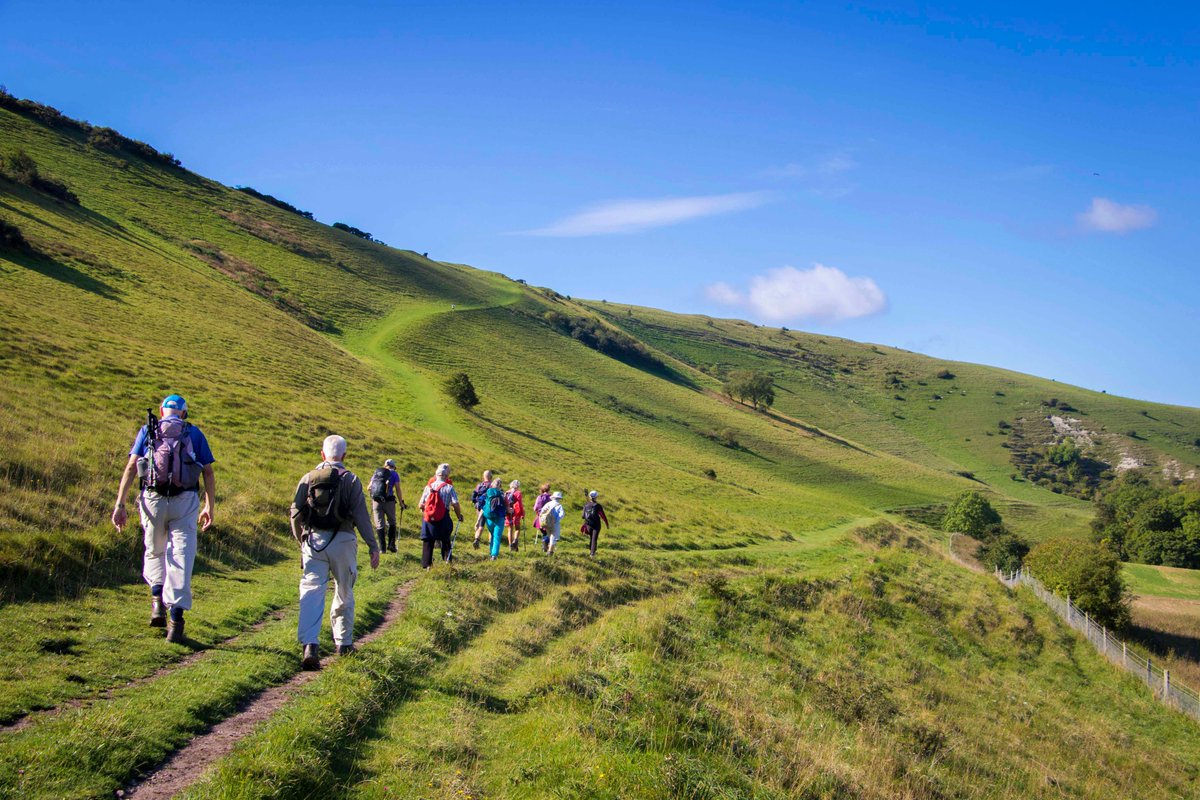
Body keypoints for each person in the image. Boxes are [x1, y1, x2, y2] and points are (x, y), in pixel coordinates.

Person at [112, 394, 216, 643]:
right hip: (185, 501)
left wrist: (120, 504)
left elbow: (131, 467)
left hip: (153, 500)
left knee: (154, 550)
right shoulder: (194, 433)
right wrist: (209, 506)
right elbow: (208, 472)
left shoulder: (148, 430)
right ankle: (176, 621)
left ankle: (157, 600)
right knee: (181, 555)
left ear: (161, 411)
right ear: (184, 413)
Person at [289, 435, 380, 670]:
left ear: (322, 454)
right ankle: (344, 643)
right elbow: (361, 516)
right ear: (344, 456)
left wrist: (301, 539)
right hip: (343, 540)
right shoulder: (351, 479)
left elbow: (295, 512)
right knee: (344, 589)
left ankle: (310, 645)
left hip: (313, 541)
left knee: (311, 591)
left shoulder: (308, 478)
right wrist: (373, 545)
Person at [418, 463, 465, 568]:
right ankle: (447, 562)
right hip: (443, 517)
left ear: (436, 476)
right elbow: (455, 503)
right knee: (445, 540)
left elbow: (420, 505)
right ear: (446, 476)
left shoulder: (428, 487)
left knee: (428, 541)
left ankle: (427, 565)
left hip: (429, 518)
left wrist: (426, 510)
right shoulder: (449, 487)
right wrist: (459, 515)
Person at [368, 458, 405, 554]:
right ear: (394, 467)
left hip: (376, 501)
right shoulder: (394, 474)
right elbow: (398, 489)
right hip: (389, 501)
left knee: (379, 524)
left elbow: (369, 487)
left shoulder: (377, 472)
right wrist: (401, 502)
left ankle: (382, 549)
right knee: (392, 522)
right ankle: (391, 545)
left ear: (385, 465)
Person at [481, 477, 508, 560]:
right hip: (499, 518)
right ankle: (494, 555)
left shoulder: (487, 493)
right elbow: (507, 507)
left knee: (492, 535)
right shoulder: (502, 495)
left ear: (492, 485)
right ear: (500, 486)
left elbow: (481, 503)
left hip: (489, 518)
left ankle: (491, 553)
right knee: (497, 536)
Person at [581, 490, 610, 557]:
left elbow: (583, 516)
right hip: (596, 525)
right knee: (594, 539)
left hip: (588, 524)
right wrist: (607, 524)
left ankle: (591, 550)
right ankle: (592, 554)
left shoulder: (586, 505)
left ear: (589, 496)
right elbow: (603, 515)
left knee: (591, 538)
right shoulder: (598, 505)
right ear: (596, 497)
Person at [470, 469, 494, 549]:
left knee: (480, 525)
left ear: (484, 477)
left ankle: (476, 539)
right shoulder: (492, 485)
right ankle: (491, 543)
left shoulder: (479, 485)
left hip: (479, 508)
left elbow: (473, 496)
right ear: (491, 477)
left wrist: (476, 503)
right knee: (491, 527)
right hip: (489, 508)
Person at [504, 479, 524, 551]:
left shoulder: (506, 493)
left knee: (510, 529)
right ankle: (515, 540)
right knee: (517, 528)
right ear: (518, 486)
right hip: (516, 513)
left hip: (508, 513)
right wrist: (522, 513)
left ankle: (510, 545)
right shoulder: (518, 493)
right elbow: (520, 504)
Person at [532, 483, 552, 552]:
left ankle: (544, 546)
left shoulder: (539, 497)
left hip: (540, 518)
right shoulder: (551, 498)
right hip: (549, 518)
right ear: (549, 489)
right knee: (549, 533)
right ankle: (545, 543)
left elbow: (535, 508)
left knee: (544, 532)